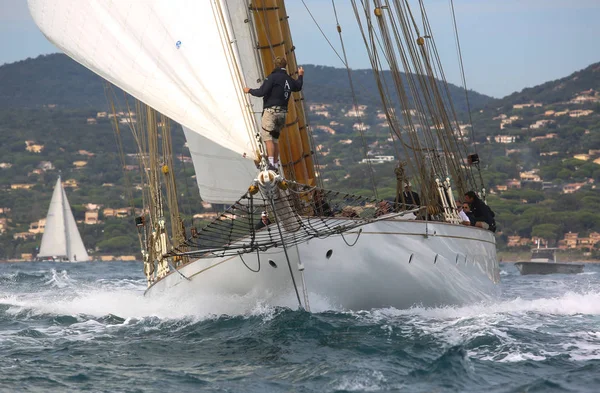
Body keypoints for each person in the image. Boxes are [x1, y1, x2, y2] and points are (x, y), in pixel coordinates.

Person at [244, 57, 304, 173]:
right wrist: (300, 75)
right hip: (282, 114)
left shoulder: (272, 78)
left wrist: (249, 90)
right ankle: (275, 164)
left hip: (271, 112)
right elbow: (298, 86)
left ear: (275, 65)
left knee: (268, 138)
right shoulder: (288, 79)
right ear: (285, 66)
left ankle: (271, 164)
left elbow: (261, 92)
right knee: (275, 139)